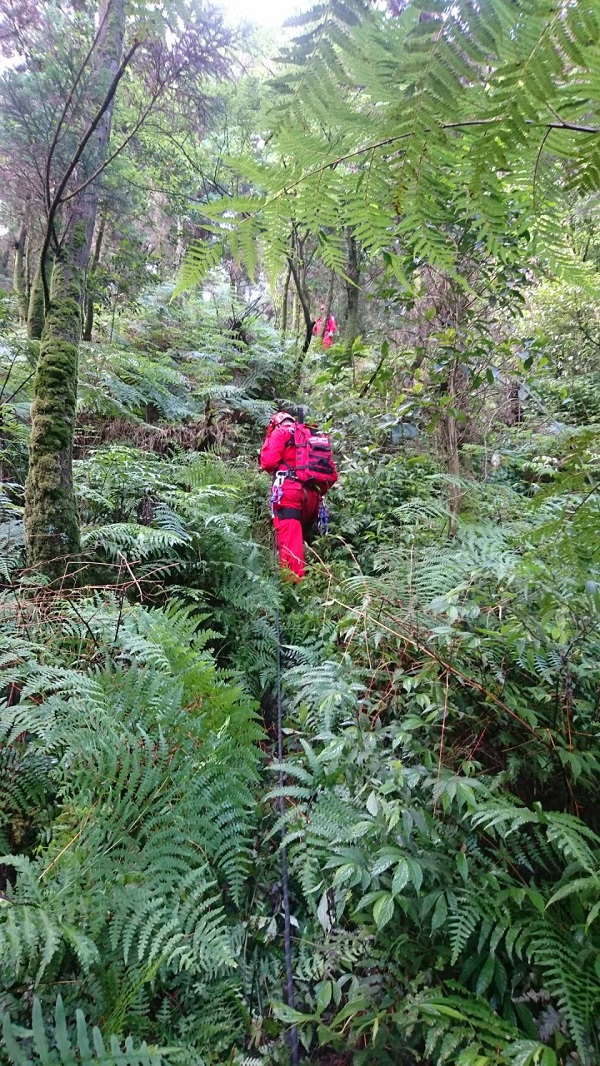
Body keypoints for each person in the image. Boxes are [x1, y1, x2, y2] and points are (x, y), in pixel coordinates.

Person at [260, 411, 337, 580]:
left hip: (289, 494)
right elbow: (331, 476)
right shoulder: (313, 435)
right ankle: (318, 578)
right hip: (313, 498)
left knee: (290, 547)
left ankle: (293, 588)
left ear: (275, 425)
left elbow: (268, 462)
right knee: (303, 541)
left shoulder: (280, 433)